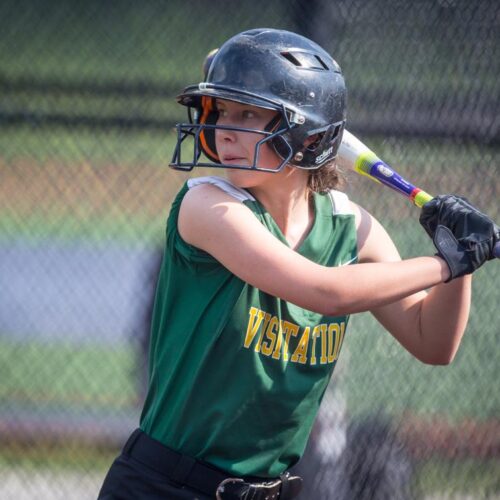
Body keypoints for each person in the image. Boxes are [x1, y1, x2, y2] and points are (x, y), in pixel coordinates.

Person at [98, 28, 499, 500]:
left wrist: (462, 263)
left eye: (247, 112)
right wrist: (444, 262)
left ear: (306, 135)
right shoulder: (208, 206)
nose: (224, 127)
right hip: (164, 486)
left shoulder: (351, 227)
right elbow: (324, 290)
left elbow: (434, 342)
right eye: (223, 111)